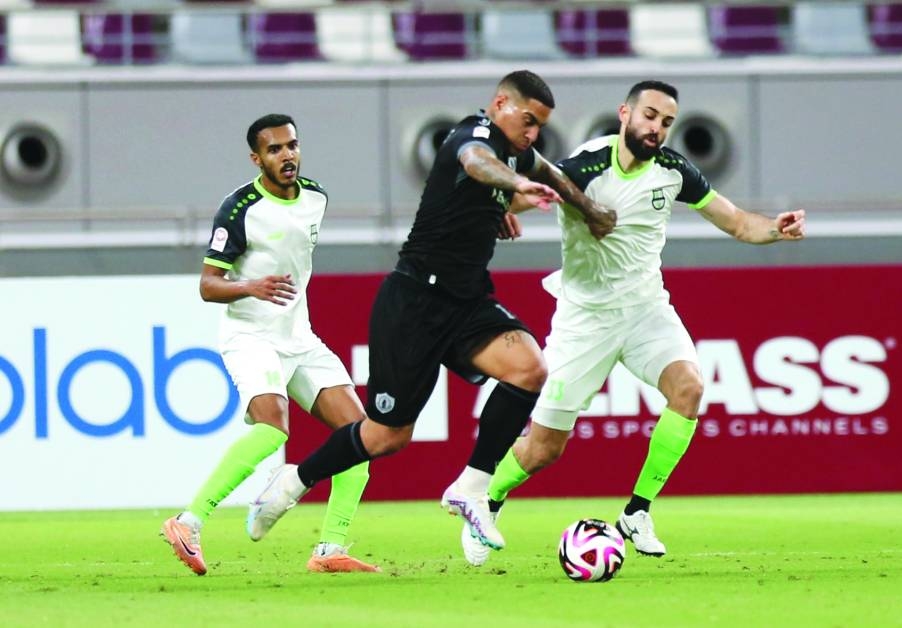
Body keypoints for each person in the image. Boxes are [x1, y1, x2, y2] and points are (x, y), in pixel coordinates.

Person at [244, 70, 617, 552]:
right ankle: (294, 482)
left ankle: (472, 488)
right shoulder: (473, 137)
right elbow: (477, 163)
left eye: (539, 126)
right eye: (527, 120)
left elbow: (551, 171)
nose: (532, 133)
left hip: (465, 301)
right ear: (501, 102)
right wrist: (515, 186)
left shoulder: (518, 151)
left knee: (529, 368)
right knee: (387, 437)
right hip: (414, 302)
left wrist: (588, 208)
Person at [462, 80, 807, 566]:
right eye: (649, 116)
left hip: (647, 310)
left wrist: (775, 227)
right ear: (625, 113)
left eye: (666, 122)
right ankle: (486, 503)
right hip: (586, 319)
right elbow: (521, 194)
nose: (656, 129)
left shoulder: (673, 171)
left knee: (688, 389)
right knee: (542, 450)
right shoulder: (587, 165)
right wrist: (499, 207)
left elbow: (736, 222)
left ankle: (636, 512)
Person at [161, 113, 379, 576]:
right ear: (256, 158)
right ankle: (188, 521)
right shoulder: (239, 208)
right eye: (275, 149)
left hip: (299, 337)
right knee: (272, 428)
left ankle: (329, 550)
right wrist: (251, 286)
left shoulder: (316, 197)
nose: (287, 156)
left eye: (292, 145)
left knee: (361, 437)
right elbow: (207, 285)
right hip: (250, 335)